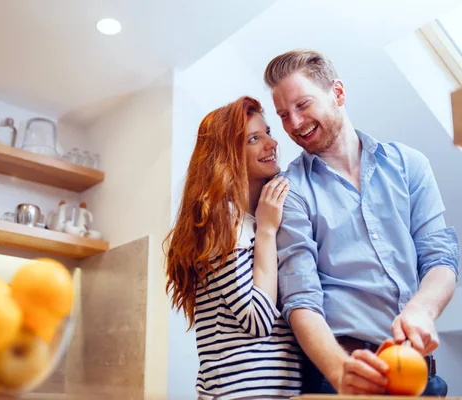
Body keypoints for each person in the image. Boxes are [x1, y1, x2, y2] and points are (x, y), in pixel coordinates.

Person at [263, 49, 460, 396]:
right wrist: (340, 372)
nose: (294, 124)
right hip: (339, 373)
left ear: (337, 93)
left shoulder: (410, 164)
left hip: (417, 373)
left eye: (303, 105)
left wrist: (421, 309)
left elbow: (440, 258)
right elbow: (299, 299)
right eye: (283, 114)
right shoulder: (291, 191)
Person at [164, 96, 302, 399]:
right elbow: (258, 319)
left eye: (268, 132)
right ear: (227, 154)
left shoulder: (253, 216)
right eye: (254, 138)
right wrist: (266, 230)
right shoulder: (223, 218)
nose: (272, 143)